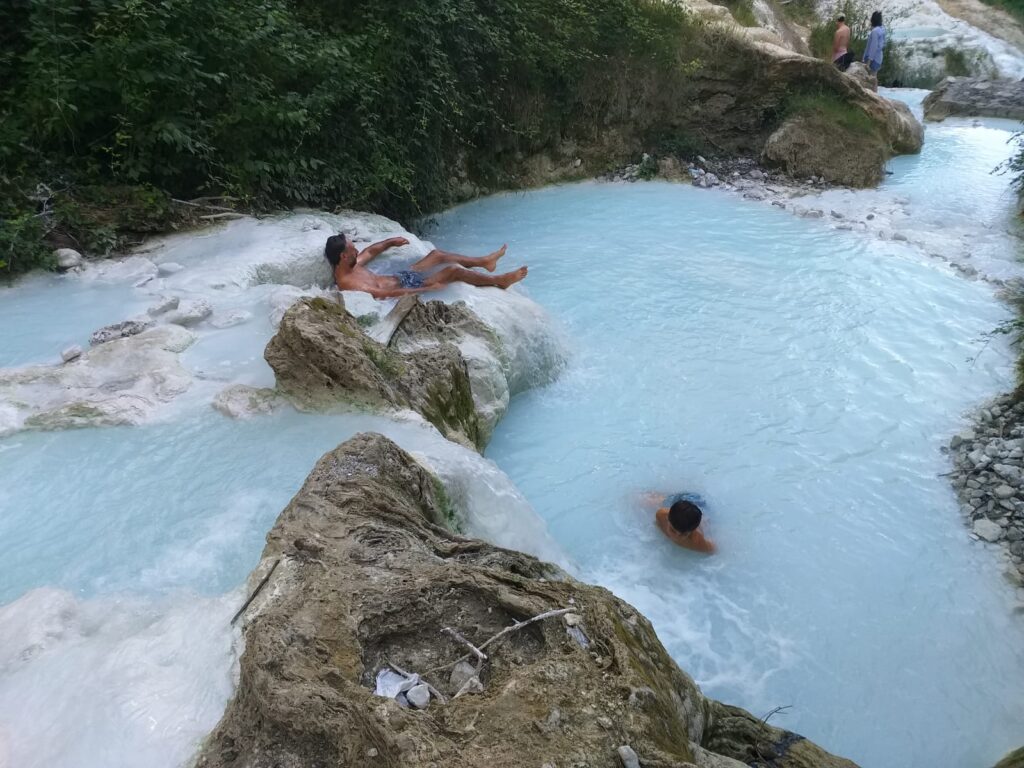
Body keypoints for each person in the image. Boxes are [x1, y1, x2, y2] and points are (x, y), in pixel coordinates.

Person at [324, 233, 528, 299]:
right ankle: (498, 281)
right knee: (453, 271)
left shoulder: (351, 265)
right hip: (409, 286)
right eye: (352, 250)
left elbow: (370, 251)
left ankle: (485, 262)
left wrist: (390, 242)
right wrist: (426, 289)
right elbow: (382, 295)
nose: (357, 251)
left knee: (437, 255)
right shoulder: (348, 282)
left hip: (401, 276)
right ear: (343, 256)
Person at [643, 492, 717, 554]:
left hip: (699, 504)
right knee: (646, 500)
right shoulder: (661, 515)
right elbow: (657, 525)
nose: (676, 537)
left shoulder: (697, 541)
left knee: (705, 520)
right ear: (667, 519)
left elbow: (714, 550)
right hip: (680, 500)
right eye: (673, 530)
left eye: (683, 534)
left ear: (691, 532)